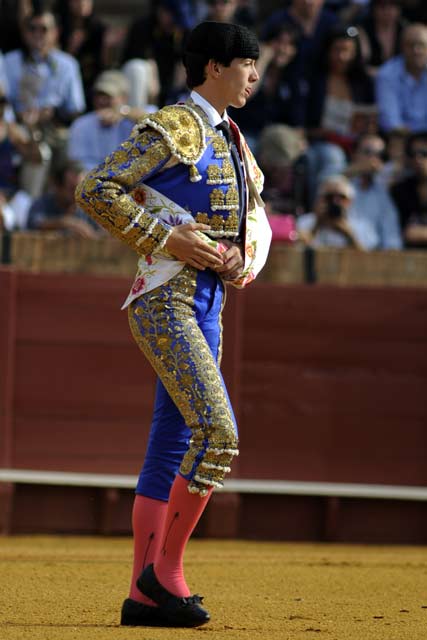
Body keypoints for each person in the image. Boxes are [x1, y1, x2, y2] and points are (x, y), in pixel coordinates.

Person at [76, 21, 272, 628]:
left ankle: (141, 598)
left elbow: (249, 221)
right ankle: (165, 574)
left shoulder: (234, 139)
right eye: (246, 63)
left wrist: (237, 254)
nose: (254, 75)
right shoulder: (176, 126)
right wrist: (164, 237)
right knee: (219, 434)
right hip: (167, 298)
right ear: (214, 66)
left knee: (171, 441)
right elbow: (96, 187)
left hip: (210, 300)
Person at [67, 70, 145, 172]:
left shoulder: (133, 121)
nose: (101, 101)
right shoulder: (81, 124)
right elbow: (76, 162)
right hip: (90, 180)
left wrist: (123, 112)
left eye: (108, 96)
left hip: (127, 178)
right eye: (99, 95)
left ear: (124, 98)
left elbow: (157, 122)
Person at [345, 133, 403, 249]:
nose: (373, 159)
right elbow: (328, 183)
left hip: (373, 258)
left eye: (379, 155)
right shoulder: (341, 185)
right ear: (354, 154)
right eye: (368, 152)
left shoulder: (383, 193)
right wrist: (354, 170)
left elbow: (392, 241)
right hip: (338, 253)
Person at [297, 174, 376, 249]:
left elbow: (369, 258)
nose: (335, 202)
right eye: (329, 197)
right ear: (320, 199)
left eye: (341, 197)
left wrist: (349, 234)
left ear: (350, 201)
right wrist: (316, 225)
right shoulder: (305, 222)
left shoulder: (362, 226)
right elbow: (298, 250)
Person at [27, 158, 100, 236]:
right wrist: (67, 223)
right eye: (73, 189)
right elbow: (35, 223)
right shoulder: (42, 204)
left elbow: (99, 233)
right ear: (57, 186)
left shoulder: (88, 207)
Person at [376, 23, 427, 134]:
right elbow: (390, 122)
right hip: (400, 139)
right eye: (410, 45)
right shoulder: (387, 74)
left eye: (421, 45)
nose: (416, 50)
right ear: (402, 47)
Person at [390, 131, 427, 248]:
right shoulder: (399, 190)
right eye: (412, 154)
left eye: (424, 153)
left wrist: (422, 234)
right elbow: (396, 233)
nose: (418, 158)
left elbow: (412, 234)